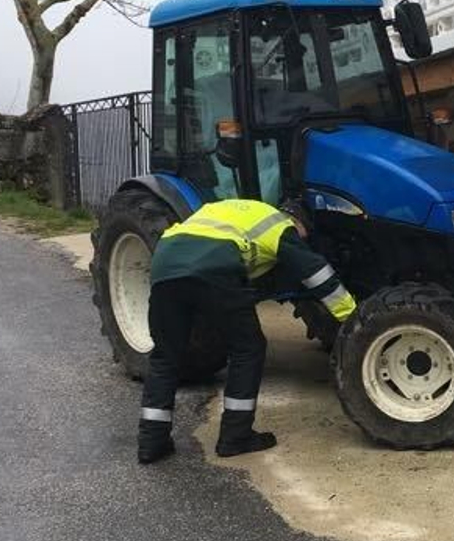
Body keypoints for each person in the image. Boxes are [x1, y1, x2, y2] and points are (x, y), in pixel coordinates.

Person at [137, 198, 356, 464]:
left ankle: (151, 442)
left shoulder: (234, 210)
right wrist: (352, 318)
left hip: (165, 263)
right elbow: (316, 273)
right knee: (247, 349)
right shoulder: (280, 225)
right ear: (297, 222)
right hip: (213, 268)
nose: (301, 240)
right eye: (303, 235)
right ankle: (235, 436)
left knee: (165, 356)